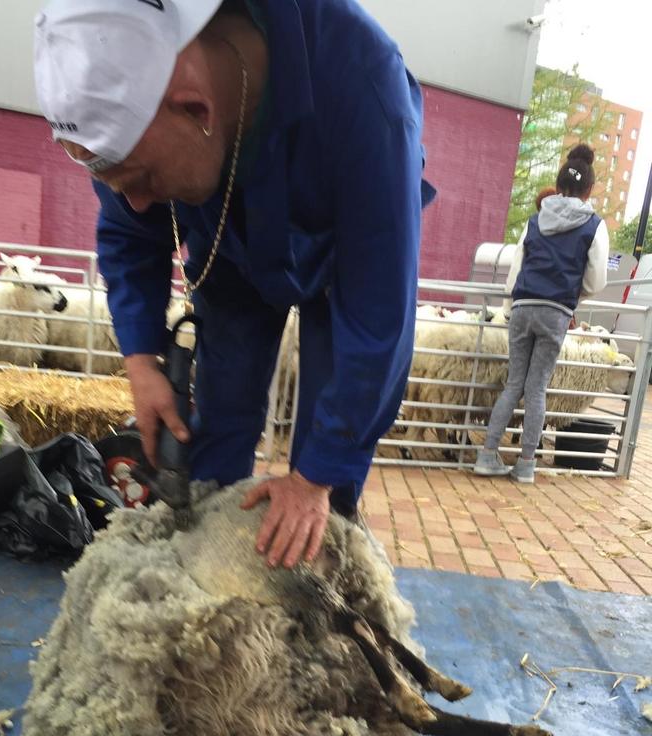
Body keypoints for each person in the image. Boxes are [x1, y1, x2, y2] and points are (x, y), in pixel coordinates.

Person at [33, 0, 434, 567]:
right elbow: (129, 231)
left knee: (325, 476)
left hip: (346, 259)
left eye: (143, 179)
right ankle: (210, 578)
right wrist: (143, 364)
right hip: (229, 245)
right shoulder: (131, 130)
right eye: (117, 182)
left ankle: (314, 576)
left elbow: (379, 312)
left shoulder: (364, 82)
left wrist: (315, 479)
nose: (139, 201)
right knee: (216, 437)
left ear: (196, 107)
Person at [474, 144, 608, 484]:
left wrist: (508, 308)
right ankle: (526, 464)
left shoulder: (536, 220)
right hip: (556, 310)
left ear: (559, 184)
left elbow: (516, 267)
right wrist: (574, 294)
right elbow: (596, 280)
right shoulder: (594, 225)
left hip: (522, 307)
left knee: (513, 383)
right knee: (536, 389)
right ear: (589, 189)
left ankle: (487, 455)